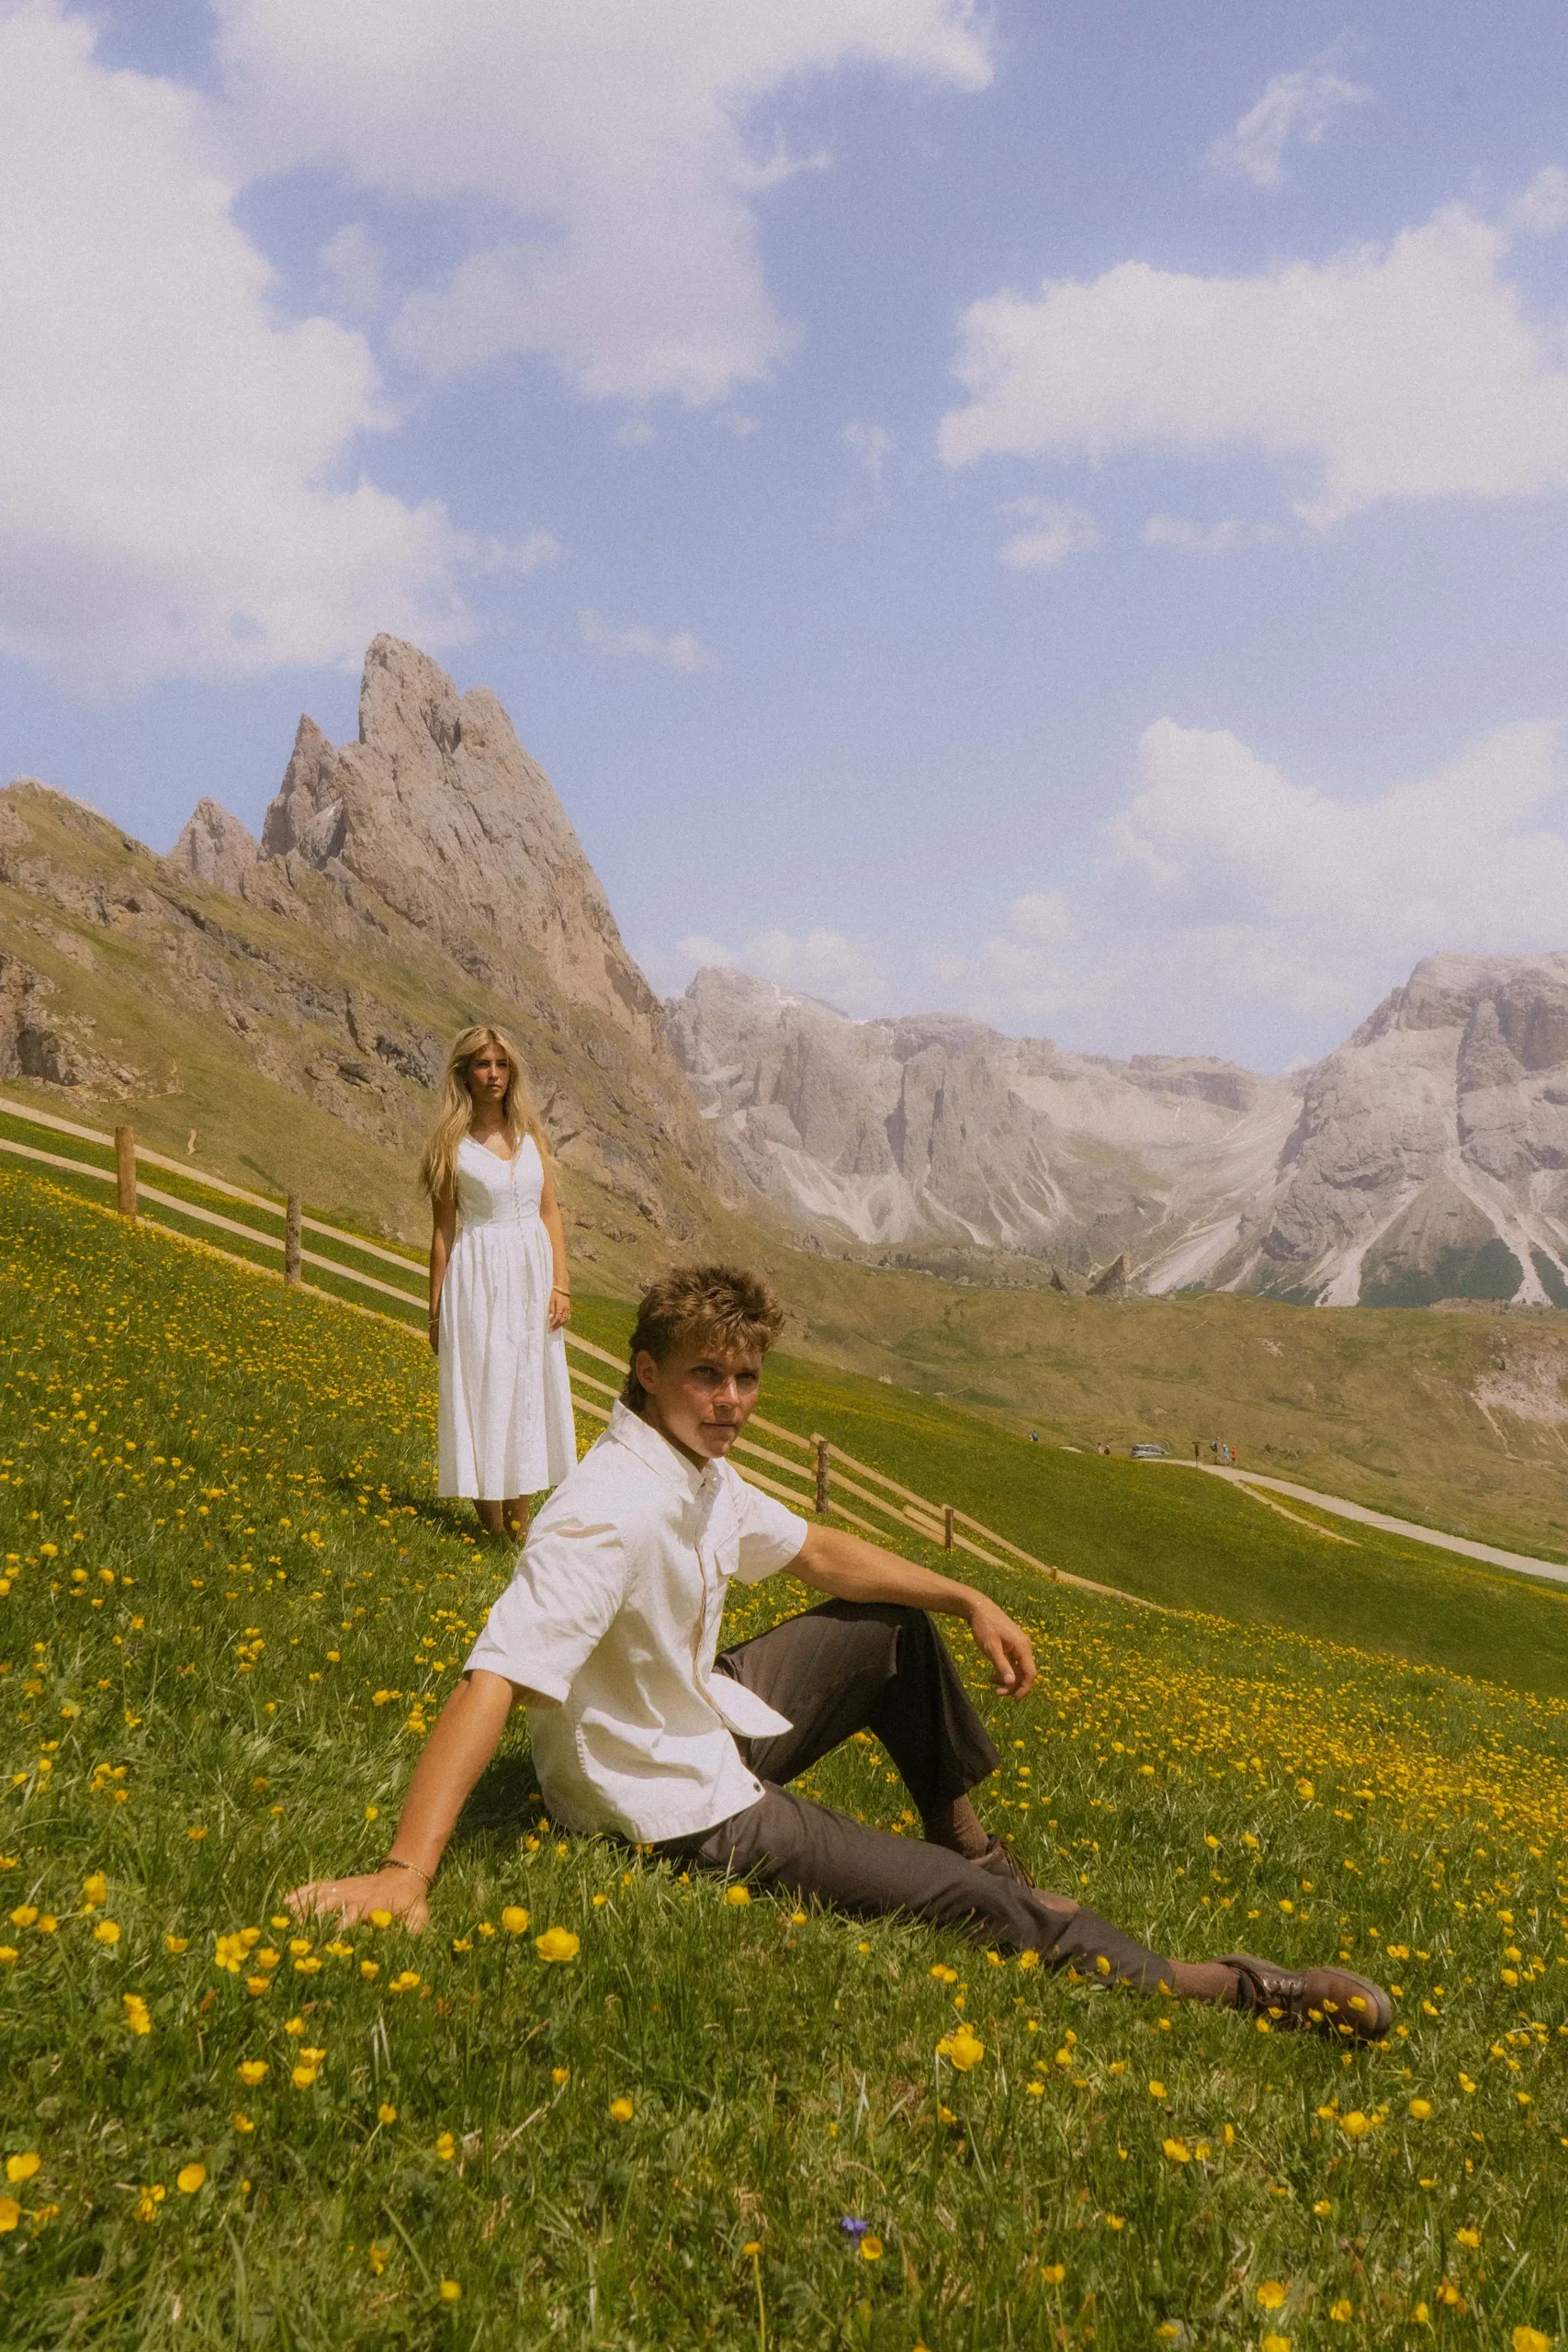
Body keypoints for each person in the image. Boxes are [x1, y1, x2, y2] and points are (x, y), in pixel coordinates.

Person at [292, 1264, 1391, 2041]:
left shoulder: (696, 1471)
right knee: (968, 1913)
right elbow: (496, 1674)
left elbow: (815, 1550)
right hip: (668, 1807)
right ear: (645, 1369)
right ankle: (1226, 1987)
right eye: (707, 1376)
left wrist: (965, 1594)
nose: (731, 1401)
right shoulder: (606, 1511)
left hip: (696, 1722)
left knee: (893, 1632)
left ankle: (972, 1850)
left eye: (747, 1378)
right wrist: (406, 1871)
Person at [421, 1023, 575, 1543]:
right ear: (464, 1073)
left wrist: (560, 1284)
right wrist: (436, 1311)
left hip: (532, 1278)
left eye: (502, 1064)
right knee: (486, 1391)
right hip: (478, 1278)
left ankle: (520, 1526)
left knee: (526, 1388)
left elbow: (550, 1213)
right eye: (483, 1064)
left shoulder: (531, 1135)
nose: (493, 1075)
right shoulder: (451, 1146)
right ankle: (491, 1531)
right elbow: (443, 1231)